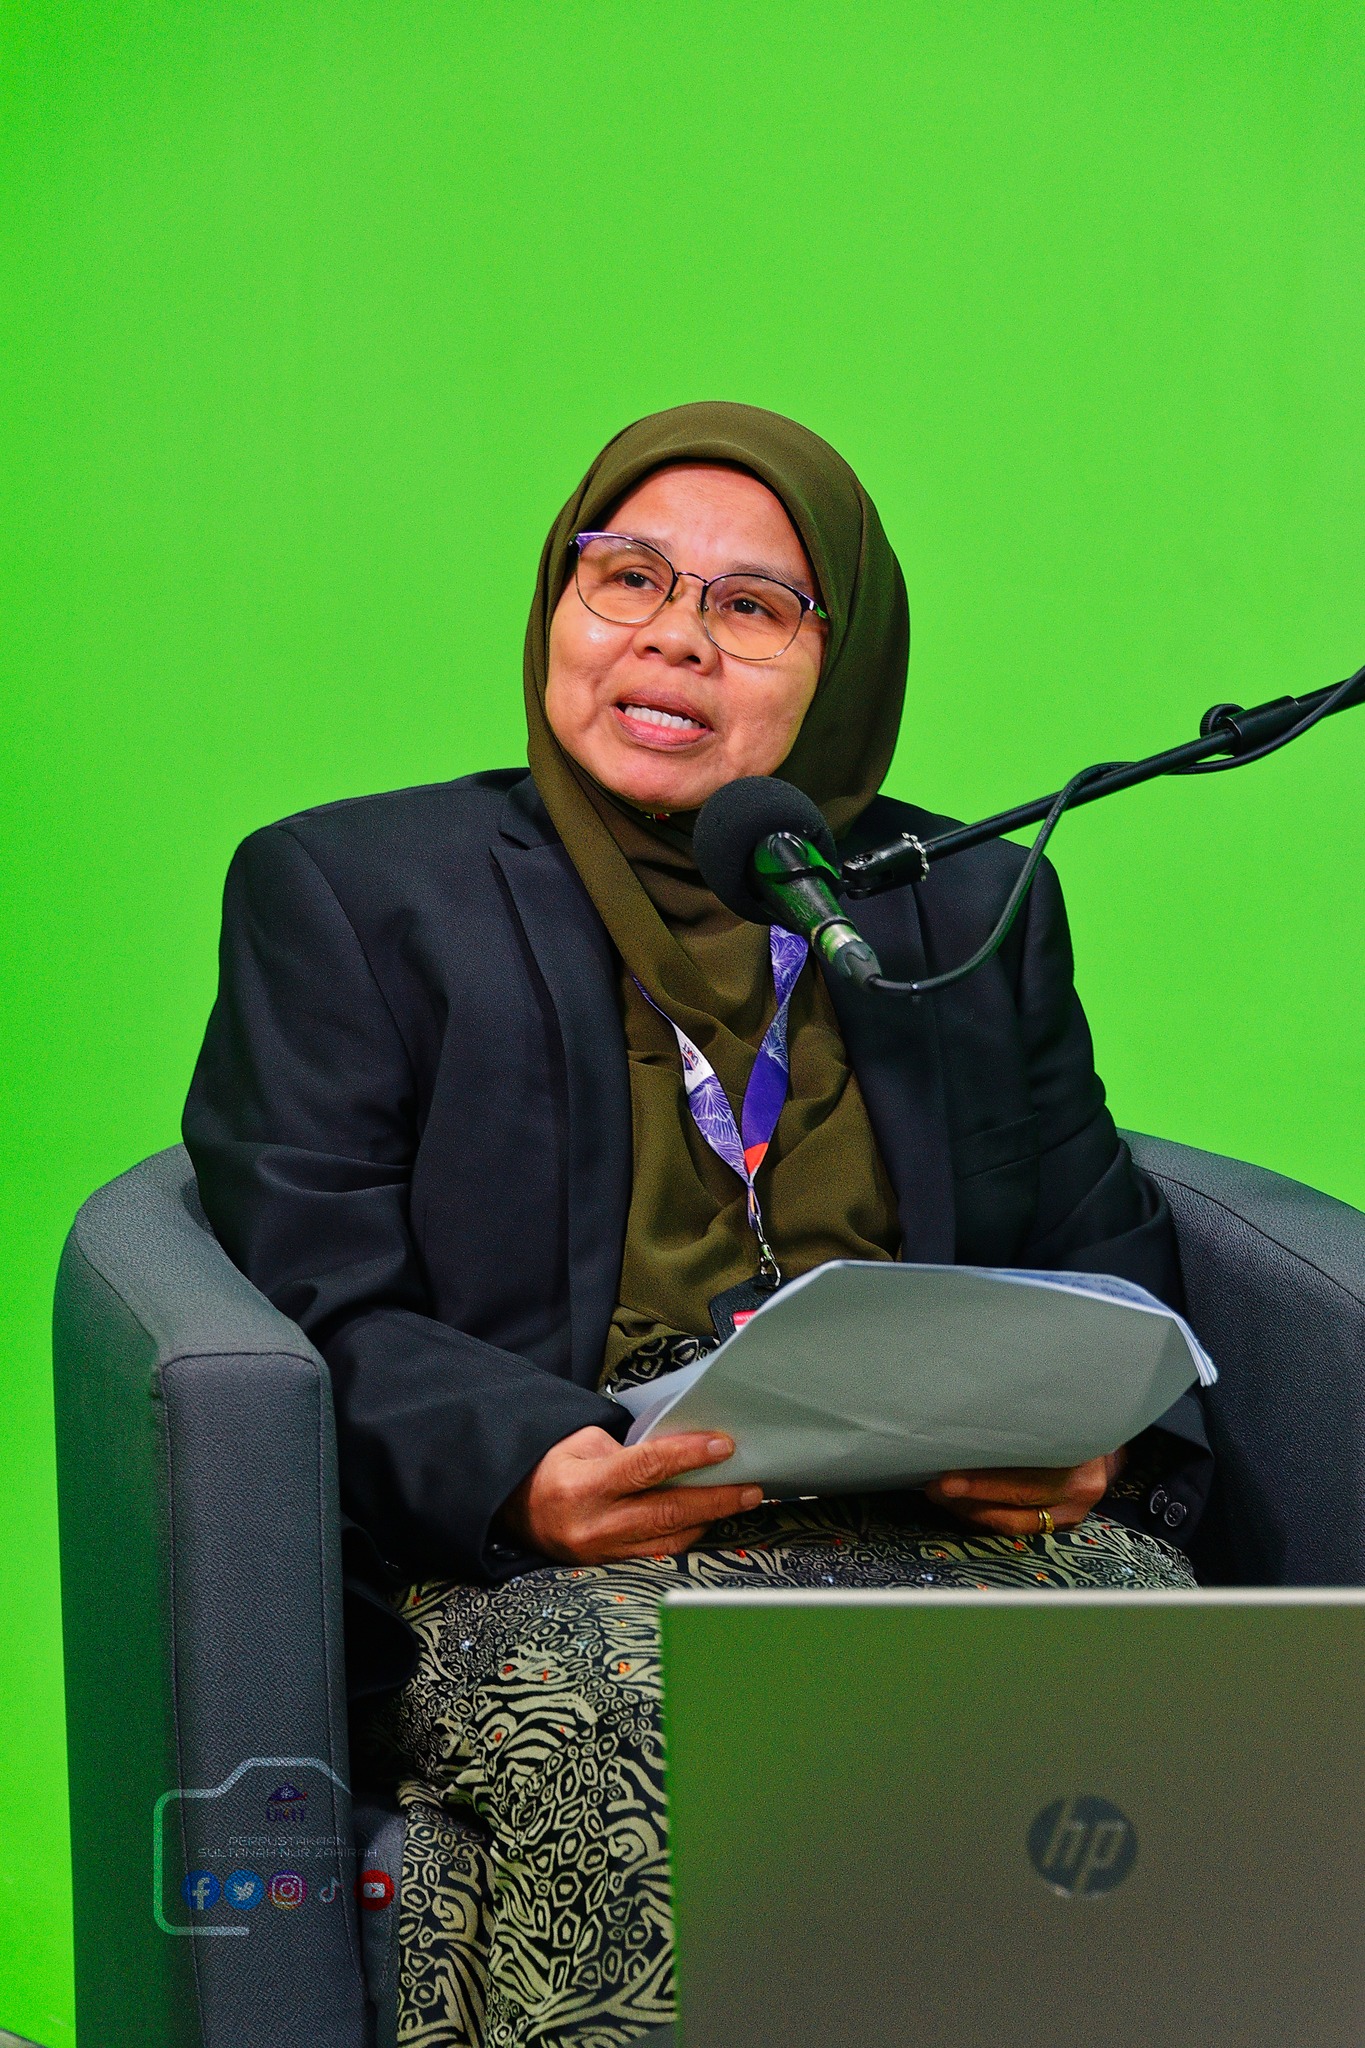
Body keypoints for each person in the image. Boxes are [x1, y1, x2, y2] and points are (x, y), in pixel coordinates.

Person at [184, 402, 1211, 2046]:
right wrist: (526, 1468)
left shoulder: (954, 900)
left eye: (749, 605)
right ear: (557, 602)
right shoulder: (356, 893)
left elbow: (1103, 1242)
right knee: (664, 1737)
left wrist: (1088, 1439)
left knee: (1205, 1714)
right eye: (627, 577)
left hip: (935, 1507)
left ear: (840, 666)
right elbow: (313, 1287)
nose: (672, 636)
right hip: (578, 1531)